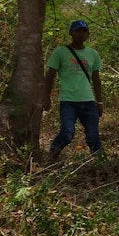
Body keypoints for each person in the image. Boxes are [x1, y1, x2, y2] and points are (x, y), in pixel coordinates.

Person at [44, 20, 103, 162]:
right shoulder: (61, 52)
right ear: (71, 33)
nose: (80, 34)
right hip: (68, 101)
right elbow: (50, 75)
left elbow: (96, 79)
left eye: (84, 31)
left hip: (88, 101)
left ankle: (101, 164)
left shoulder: (93, 54)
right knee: (67, 133)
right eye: (77, 31)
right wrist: (46, 97)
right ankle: (50, 159)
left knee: (93, 136)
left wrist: (99, 101)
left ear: (87, 34)